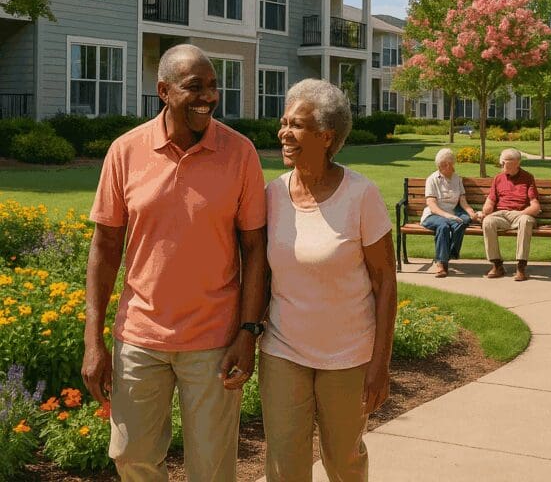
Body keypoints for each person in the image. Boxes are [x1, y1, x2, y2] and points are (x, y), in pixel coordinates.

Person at [82, 44, 267, 481]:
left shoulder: (239, 154)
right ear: (164, 90)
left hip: (214, 339)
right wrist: (94, 339)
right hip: (141, 335)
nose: (208, 96)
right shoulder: (125, 152)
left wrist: (248, 332)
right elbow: (105, 246)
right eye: (194, 86)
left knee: (212, 467)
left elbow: (255, 250)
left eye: (212, 86)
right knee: (132, 456)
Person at [259, 79, 397, 482]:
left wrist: (380, 364)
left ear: (326, 136)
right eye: (284, 122)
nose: (284, 132)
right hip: (283, 351)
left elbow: (385, 282)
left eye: (296, 125)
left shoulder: (361, 196)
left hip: (348, 357)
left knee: (344, 461)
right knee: (284, 465)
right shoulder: (272, 195)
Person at [478, 148, 541, 281]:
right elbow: (490, 200)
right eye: (501, 162)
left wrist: (521, 213)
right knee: (488, 221)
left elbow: (535, 206)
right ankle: (497, 265)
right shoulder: (498, 178)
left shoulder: (528, 178)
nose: (501, 164)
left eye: (504, 162)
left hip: (520, 213)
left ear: (516, 163)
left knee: (525, 221)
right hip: (501, 214)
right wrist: (486, 209)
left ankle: (521, 267)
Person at [422, 148, 477, 278]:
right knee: (444, 226)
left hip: (453, 213)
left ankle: (450, 253)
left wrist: (470, 212)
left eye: (452, 164)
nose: (453, 167)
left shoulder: (457, 178)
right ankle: (441, 264)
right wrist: (448, 216)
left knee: (464, 221)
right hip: (433, 215)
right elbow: (432, 206)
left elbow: (462, 200)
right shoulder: (432, 179)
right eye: (452, 164)